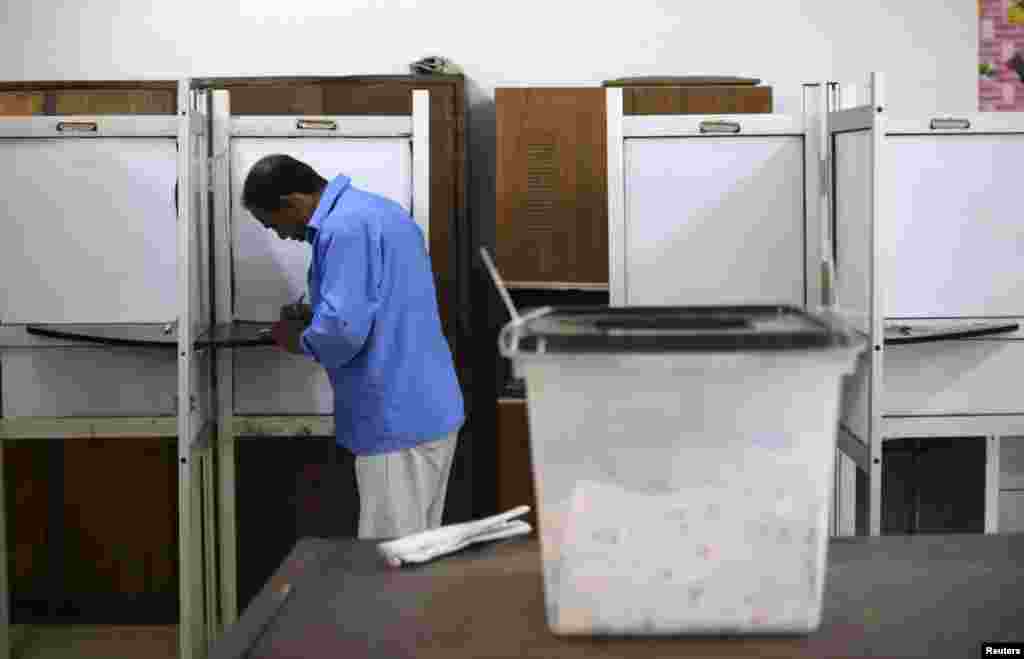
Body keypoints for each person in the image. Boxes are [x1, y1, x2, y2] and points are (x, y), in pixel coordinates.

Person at [241, 154, 465, 540]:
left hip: (394, 420)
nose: (279, 235)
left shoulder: (342, 229)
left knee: (391, 557)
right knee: (419, 549)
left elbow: (342, 332)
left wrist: (294, 338)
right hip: (426, 408)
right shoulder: (377, 211)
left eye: (272, 224)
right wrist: (318, 311)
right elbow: (387, 301)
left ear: (292, 202)